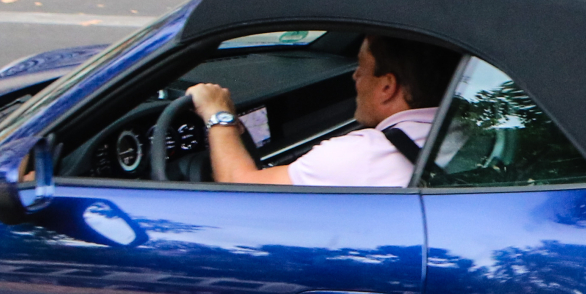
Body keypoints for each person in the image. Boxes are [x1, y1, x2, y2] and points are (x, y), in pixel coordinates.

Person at [186, 34, 458, 187]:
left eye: (361, 69)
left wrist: (217, 113)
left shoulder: (363, 156)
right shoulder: (467, 125)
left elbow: (239, 187)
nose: (355, 78)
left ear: (387, 86)